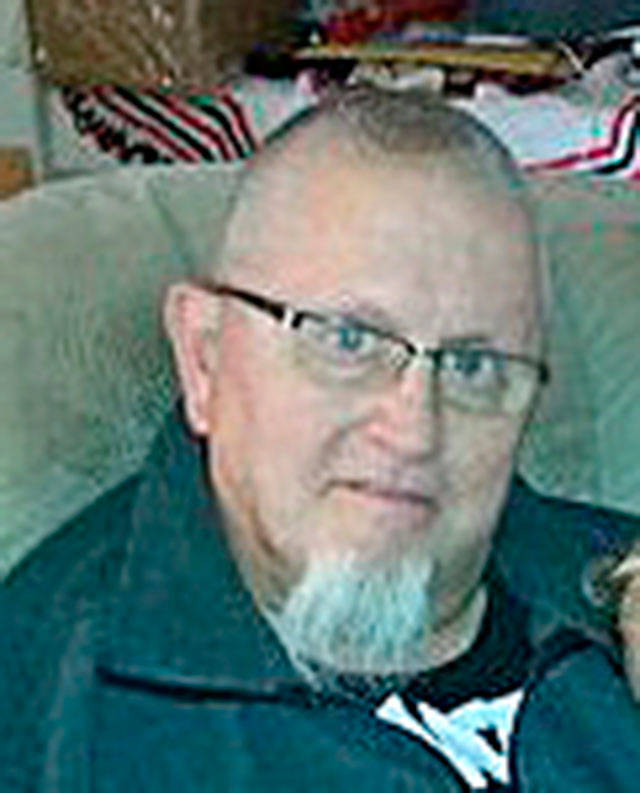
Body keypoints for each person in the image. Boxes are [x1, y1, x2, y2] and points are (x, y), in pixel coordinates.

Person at [1, 85, 639, 793]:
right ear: (205, 355)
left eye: (471, 364)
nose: (413, 430)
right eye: (348, 340)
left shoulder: (608, 586)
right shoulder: (62, 725)